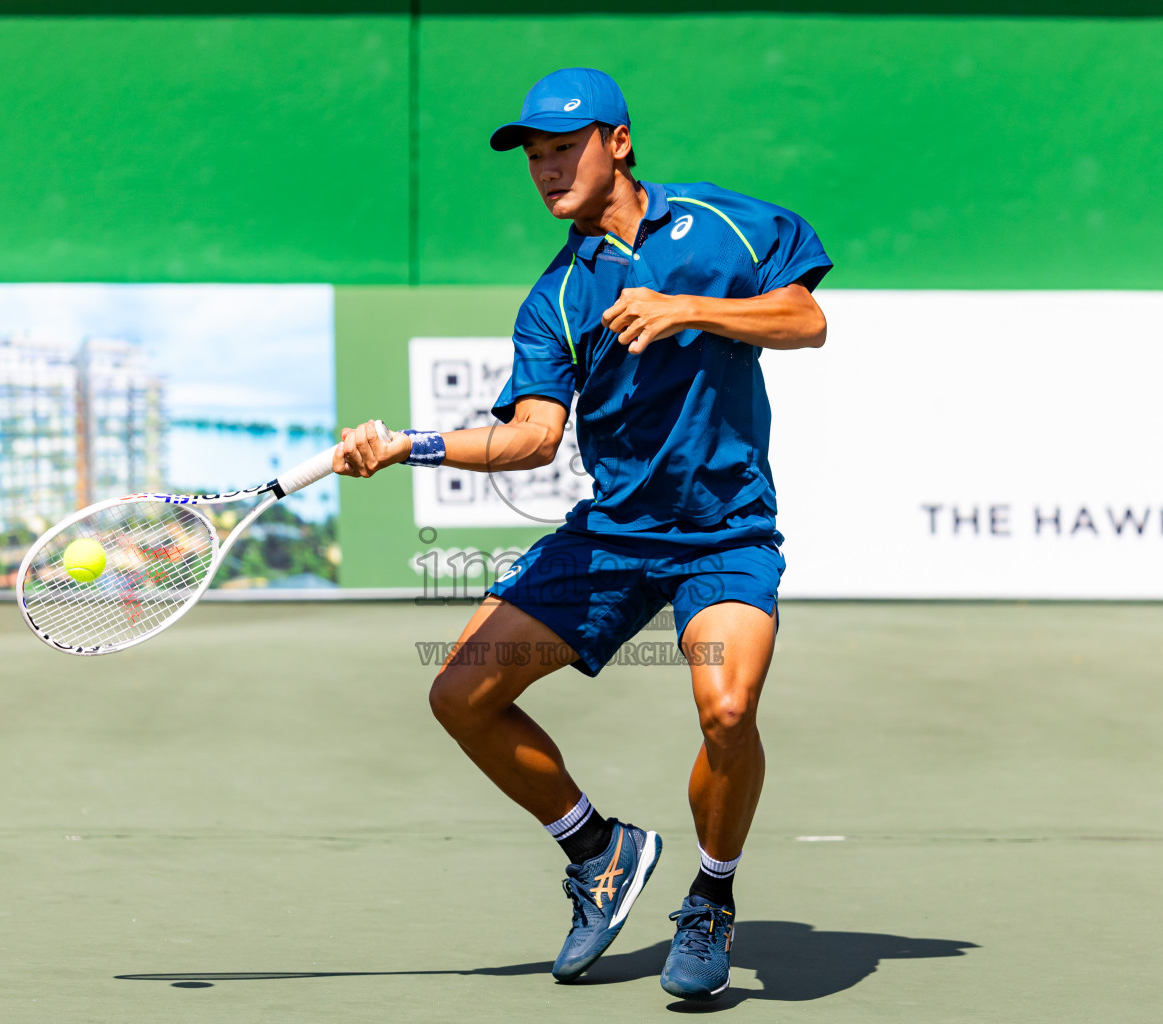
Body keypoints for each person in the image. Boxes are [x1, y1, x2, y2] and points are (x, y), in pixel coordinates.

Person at [335, 67, 831, 1002]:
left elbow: (806, 319)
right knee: (461, 694)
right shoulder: (557, 297)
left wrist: (689, 308)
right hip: (613, 533)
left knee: (728, 711)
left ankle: (711, 898)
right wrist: (410, 446)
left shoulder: (722, 226)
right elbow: (531, 436)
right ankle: (600, 851)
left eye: (564, 147)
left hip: (725, 530)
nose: (547, 169)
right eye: (533, 157)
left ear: (620, 143)